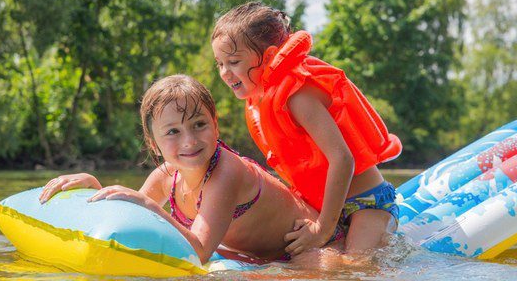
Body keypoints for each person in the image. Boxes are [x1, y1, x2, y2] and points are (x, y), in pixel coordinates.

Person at [38, 75, 340, 264]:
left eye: (199, 125)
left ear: (216, 125)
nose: (190, 141)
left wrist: (146, 203)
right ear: (153, 143)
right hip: (266, 256)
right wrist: (93, 186)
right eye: (173, 132)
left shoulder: (226, 173)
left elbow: (199, 251)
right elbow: (129, 220)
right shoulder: (165, 177)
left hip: (314, 249)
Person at [211, 1, 402, 256]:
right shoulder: (262, 103)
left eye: (233, 62)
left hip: (365, 203)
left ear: (268, 57)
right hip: (317, 207)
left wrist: (323, 228)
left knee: (357, 266)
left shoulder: (297, 96)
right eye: (219, 63)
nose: (225, 72)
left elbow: (343, 159)